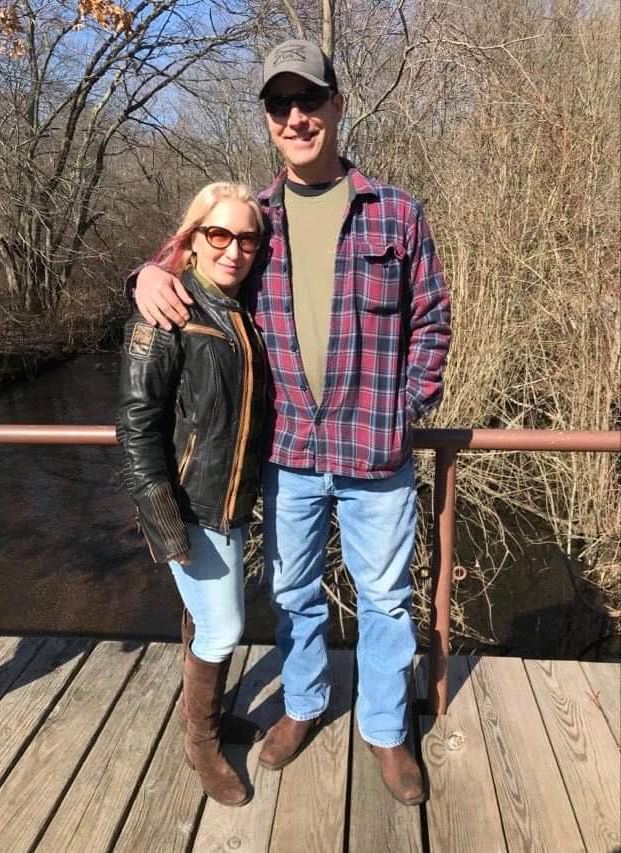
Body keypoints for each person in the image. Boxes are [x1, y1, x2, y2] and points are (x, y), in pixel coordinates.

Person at [129, 40, 452, 806]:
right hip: (288, 453)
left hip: (375, 451)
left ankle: (385, 728)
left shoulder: (395, 212)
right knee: (294, 589)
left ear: (337, 106)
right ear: (268, 118)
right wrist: (142, 274)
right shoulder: (255, 220)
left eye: (310, 99)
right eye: (281, 103)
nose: (297, 116)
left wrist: (406, 408)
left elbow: (432, 322)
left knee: (385, 598)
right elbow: (187, 262)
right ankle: (303, 703)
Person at [117, 182, 267, 808]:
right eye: (219, 234)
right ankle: (200, 741)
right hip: (191, 503)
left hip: (231, 500)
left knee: (209, 618)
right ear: (195, 238)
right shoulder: (168, 311)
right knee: (225, 626)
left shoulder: (241, 308)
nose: (234, 250)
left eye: (247, 239)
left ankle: (210, 716)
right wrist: (162, 518)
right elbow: (136, 425)